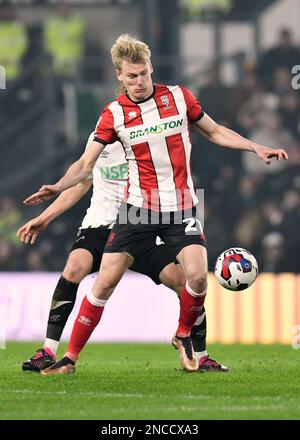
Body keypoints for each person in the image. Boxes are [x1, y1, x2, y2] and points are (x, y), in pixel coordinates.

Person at [25, 34, 288, 374]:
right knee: (104, 282)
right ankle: (68, 359)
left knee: (197, 278)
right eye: (130, 76)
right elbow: (86, 166)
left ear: (151, 68)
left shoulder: (178, 97)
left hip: (182, 208)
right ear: (120, 76)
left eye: (143, 74)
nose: (138, 82)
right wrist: (58, 187)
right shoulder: (114, 115)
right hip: (137, 211)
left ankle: (186, 339)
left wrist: (255, 147)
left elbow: (215, 131)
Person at [19, 133, 228, 373]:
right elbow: (81, 182)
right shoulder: (98, 139)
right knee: (74, 267)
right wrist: (44, 218)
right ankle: (48, 350)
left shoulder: (149, 137)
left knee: (186, 282)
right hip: (100, 226)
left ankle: (201, 357)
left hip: (139, 227)